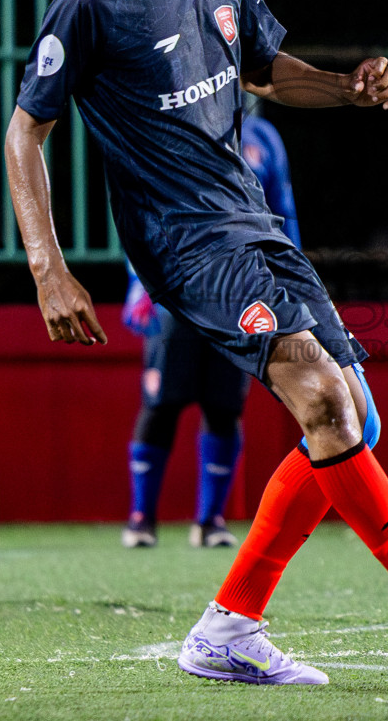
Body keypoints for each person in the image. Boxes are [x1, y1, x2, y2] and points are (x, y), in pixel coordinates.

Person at [6, 0, 388, 686]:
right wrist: (49, 270)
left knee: (355, 418)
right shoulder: (90, 3)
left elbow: (266, 72)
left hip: (252, 222)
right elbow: (24, 134)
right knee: (322, 399)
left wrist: (344, 89)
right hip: (187, 245)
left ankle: (229, 626)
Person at [121, 113, 302, 550]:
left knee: (224, 406)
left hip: (238, 292)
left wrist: (293, 278)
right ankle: (142, 519)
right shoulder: (172, 120)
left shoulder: (264, 137)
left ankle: (210, 521)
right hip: (176, 286)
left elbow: (283, 212)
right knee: (162, 403)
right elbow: (142, 206)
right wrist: (137, 279)